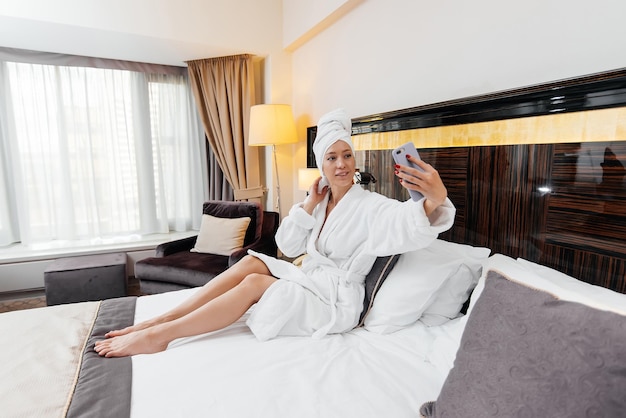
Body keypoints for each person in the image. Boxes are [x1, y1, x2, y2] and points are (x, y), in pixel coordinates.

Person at [94, 108, 455, 358]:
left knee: (254, 284)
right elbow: (286, 246)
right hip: (313, 280)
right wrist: (310, 204)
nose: (342, 164)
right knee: (253, 263)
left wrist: (433, 198)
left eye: (347, 155)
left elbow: (406, 225)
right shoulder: (321, 200)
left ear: (354, 160)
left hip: (336, 301)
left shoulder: (373, 206)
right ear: (321, 164)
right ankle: (163, 317)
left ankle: (160, 336)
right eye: (332, 158)